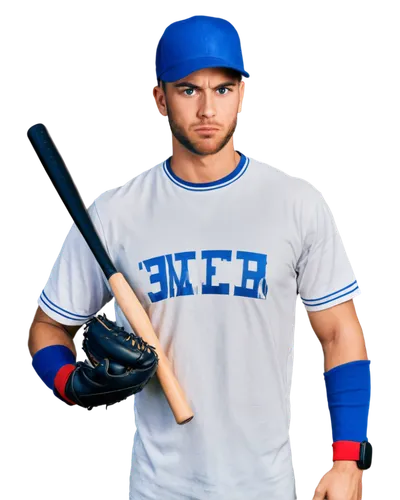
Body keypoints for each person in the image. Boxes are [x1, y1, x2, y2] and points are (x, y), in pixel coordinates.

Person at [26, 12, 374, 500]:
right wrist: (68, 381)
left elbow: (340, 332)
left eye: (223, 89)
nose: (208, 108)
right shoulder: (114, 214)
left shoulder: (296, 204)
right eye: (188, 89)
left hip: (266, 488)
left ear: (243, 97)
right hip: (157, 489)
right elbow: (47, 325)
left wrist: (346, 459)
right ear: (159, 99)